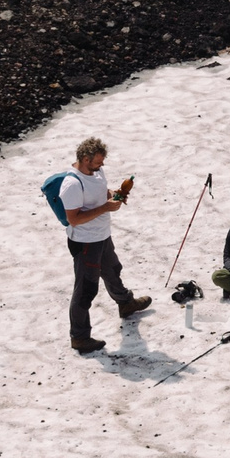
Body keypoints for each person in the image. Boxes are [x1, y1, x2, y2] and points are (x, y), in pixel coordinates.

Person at [61, 136, 149, 352]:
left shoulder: (97, 172)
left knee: (112, 270)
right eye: (98, 162)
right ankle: (79, 337)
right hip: (85, 243)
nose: (102, 165)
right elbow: (74, 219)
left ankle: (125, 303)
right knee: (86, 290)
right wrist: (105, 208)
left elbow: (101, 192)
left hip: (102, 235)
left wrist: (113, 195)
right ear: (85, 159)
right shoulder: (72, 184)